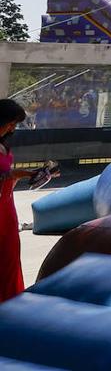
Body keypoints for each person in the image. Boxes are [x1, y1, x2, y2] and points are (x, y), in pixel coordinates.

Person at [0, 100, 33, 302]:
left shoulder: (4, 144)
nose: (12, 128)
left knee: (10, 255)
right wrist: (13, 175)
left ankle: (10, 302)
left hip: (6, 206)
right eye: (10, 123)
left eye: (15, 124)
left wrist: (32, 175)